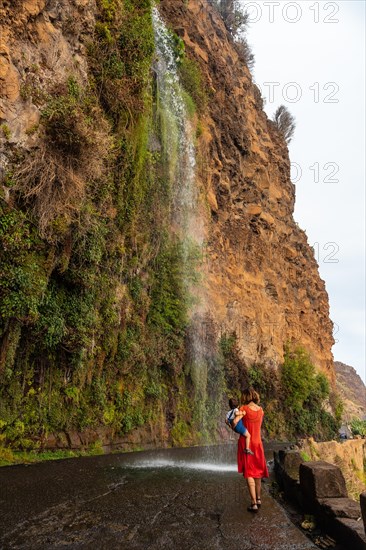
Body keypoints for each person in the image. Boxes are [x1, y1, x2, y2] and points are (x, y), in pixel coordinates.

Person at [237, 387, 269, 513]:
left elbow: (235, 423)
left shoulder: (243, 409)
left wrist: (230, 424)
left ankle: (253, 503)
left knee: (249, 472)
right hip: (258, 443)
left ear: (245, 396)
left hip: (247, 443)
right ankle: (259, 498)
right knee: (258, 471)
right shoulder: (261, 410)